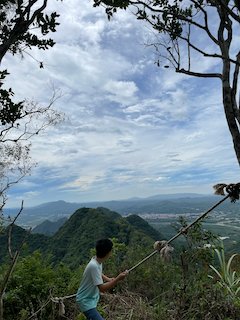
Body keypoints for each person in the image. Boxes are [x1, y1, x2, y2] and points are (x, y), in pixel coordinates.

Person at [76, 238, 128, 320]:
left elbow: (98, 273)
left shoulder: (96, 260)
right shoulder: (94, 266)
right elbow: (102, 288)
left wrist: (108, 279)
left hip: (90, 298)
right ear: (108, 253)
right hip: (85, 301)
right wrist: (117, 279)